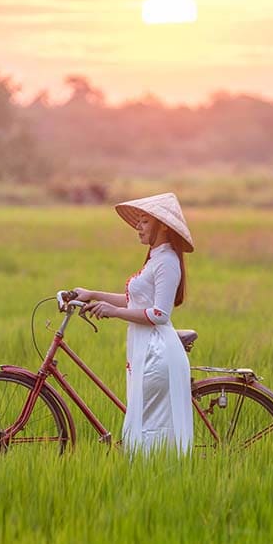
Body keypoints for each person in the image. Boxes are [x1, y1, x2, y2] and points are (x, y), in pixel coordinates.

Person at [73, 192, 194, 454]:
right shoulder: (155, 258)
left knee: (150, 433)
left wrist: (113, 313)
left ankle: (155, 484)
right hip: (144, 350)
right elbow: (133, 301)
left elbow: (160, 315)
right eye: (138, 222)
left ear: (162, 225)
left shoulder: (167, 261)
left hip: (157, 354)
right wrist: (92, 294)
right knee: (142, 427)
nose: (138, 227)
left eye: (144, 222)